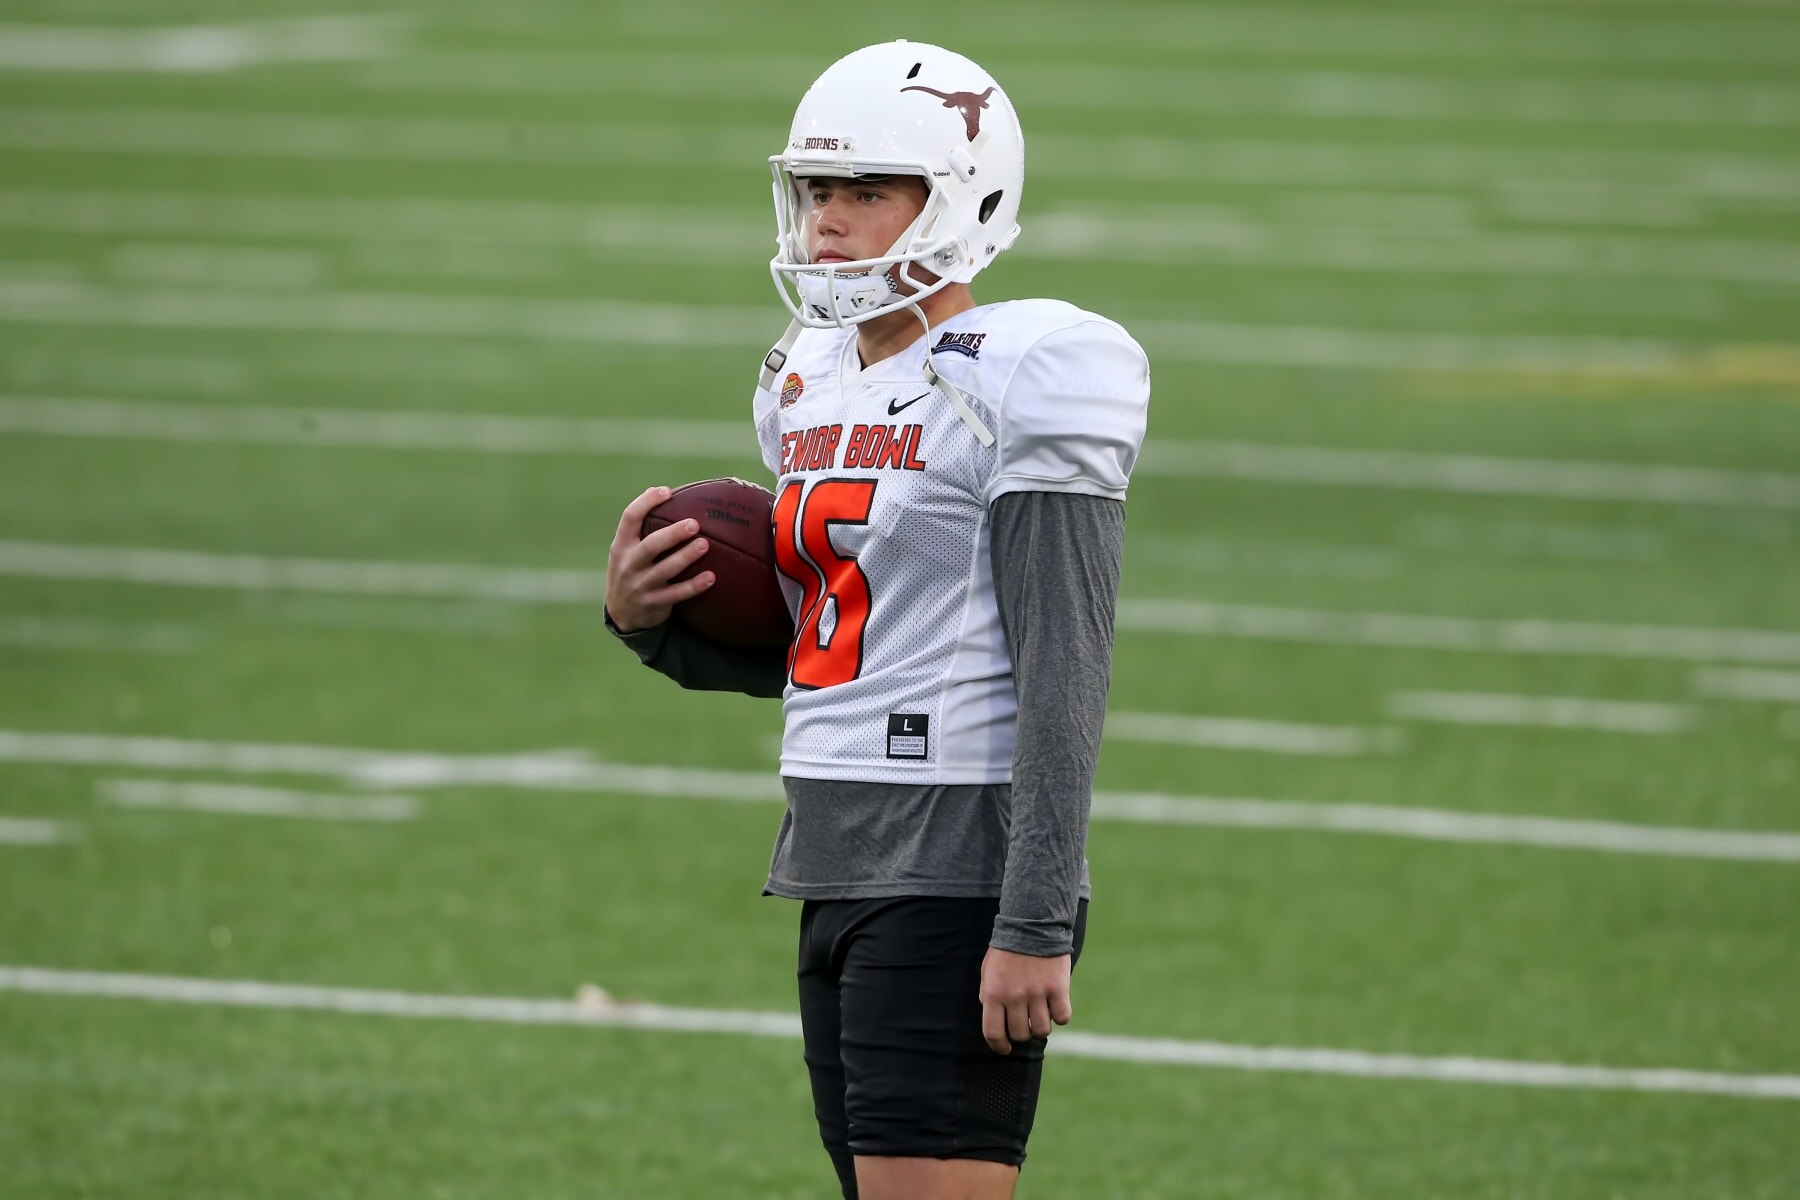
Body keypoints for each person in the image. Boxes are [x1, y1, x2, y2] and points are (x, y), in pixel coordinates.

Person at [604, 40, 1150, 1200]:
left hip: (953, 859)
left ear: (960, 200)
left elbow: (1067, 663)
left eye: (867, 190)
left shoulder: (1018, 373)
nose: (829, 219)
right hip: (831, 852)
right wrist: (648, 622)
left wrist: (1036, 917)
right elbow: (836, 649)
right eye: (816, 188)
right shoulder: (807, 378)